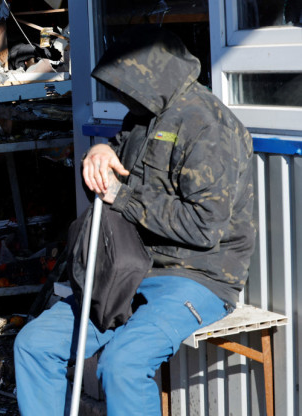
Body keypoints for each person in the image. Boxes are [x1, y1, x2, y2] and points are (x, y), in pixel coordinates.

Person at [13, 27, 256, 416]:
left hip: (197, 275)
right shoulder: (146, 115)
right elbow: (119, 161)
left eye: (124, 87)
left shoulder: (207, 127)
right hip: (129, 268)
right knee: (34, 345)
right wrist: (100, 148)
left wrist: (122, 196)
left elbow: (204, 228)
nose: (119, 97)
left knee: (122, 364)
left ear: (150, 77)